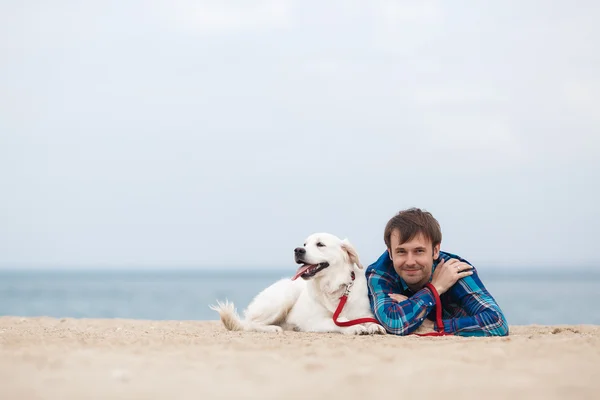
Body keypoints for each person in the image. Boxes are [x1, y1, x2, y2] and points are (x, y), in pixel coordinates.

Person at [366, 207, 509, 337]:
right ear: (390, 253)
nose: (410, 261)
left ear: (435, 251)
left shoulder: (454, 269)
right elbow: (394, 323)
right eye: (401, 251)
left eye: (419, 251)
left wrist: (433, 326)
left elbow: (498, 324)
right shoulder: (379, 273)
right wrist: (435, 289)